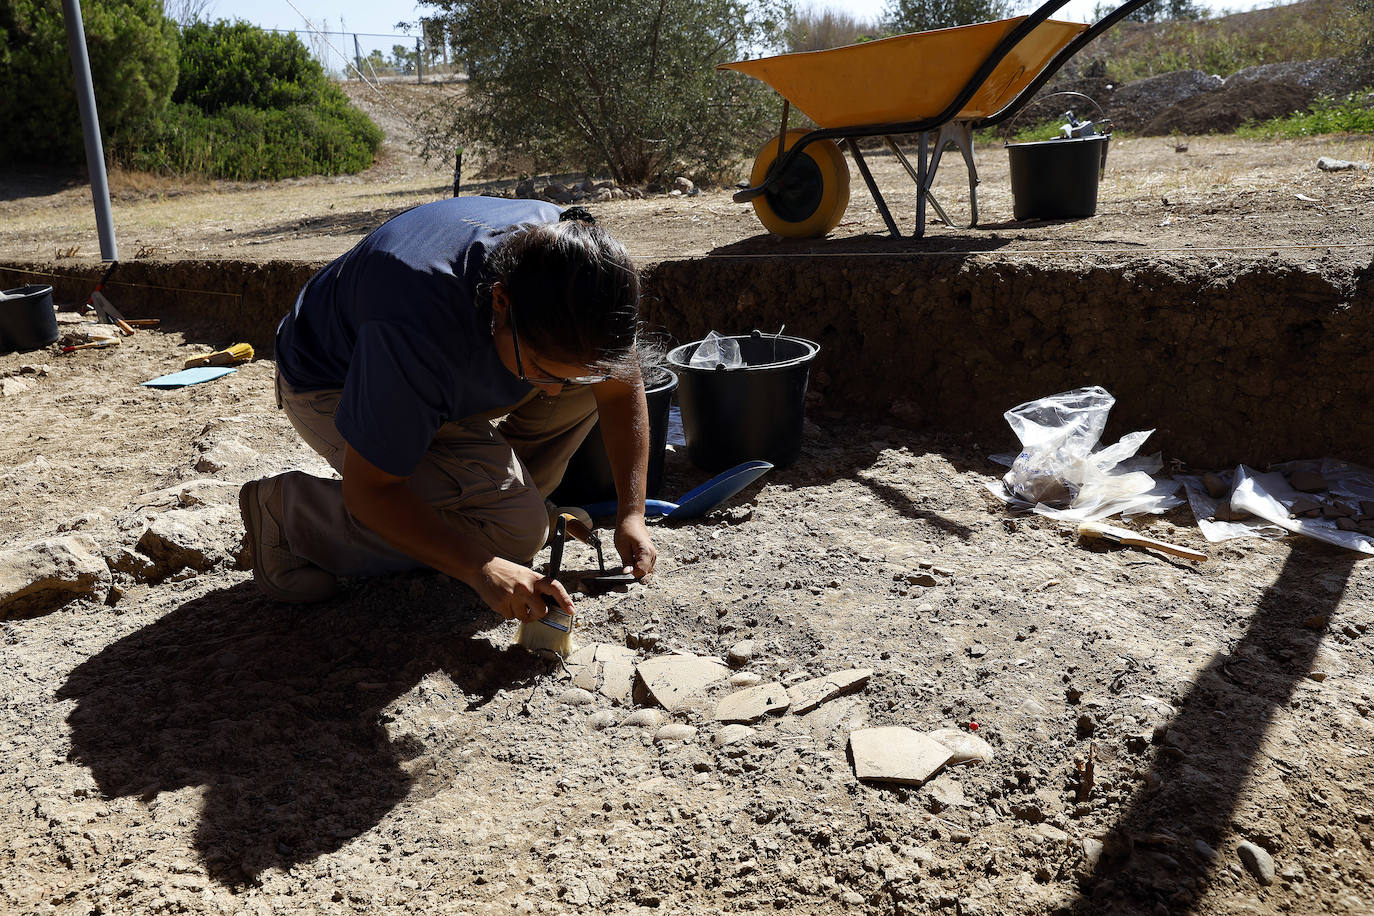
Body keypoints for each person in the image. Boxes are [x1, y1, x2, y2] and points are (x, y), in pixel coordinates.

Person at [238, 196, 657, 622]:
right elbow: (372, 490)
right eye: (541, 370)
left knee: (582, 386)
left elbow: (621, 386)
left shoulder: (567, 262)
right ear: (500, 302)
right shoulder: (416, 326)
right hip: (331, 384)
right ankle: (291, 517)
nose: (551, 394)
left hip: (439, 366)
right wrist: (482, 567)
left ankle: (490, 503)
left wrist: (632, 515)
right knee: (517, 532)